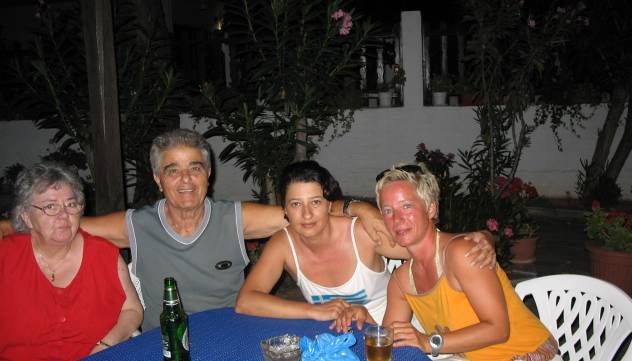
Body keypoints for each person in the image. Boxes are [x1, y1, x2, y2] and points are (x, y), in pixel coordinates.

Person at [9, 130, 384, 331]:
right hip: (163, 346)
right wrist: (14, 223)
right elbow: (63, 221)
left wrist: (359, 207)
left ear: (208, 174)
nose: (186, 179)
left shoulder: (235, 218)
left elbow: (305, 212)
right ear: (158, 179)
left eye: (195, 168)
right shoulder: (136, 225)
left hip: (232, 338)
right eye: (172, 170)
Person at [377, 164, 566, 361]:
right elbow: (389, 342)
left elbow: (498, 329)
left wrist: (428, 342)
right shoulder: (401, 281)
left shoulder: (461, 252)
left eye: (407, 206)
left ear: (431, 208)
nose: (397, 219)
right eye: (388, 210)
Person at [235, 161, 496, 332]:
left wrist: (480, 237)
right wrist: (314, 311)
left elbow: (434, 248)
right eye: (295, 204)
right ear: (284, 209)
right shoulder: (283, 244)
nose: (306, 214)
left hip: (396, 331)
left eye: (315, 202)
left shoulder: (361, 232)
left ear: (330, 205)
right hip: (339, 337)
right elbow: (246, 301)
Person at [0, 163, 143, 361]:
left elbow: (133, 310)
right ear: (26, 216)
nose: (64, 215)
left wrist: (106, 344)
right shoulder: (6, 258)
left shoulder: (104, 255)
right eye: (50, 206)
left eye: (71, 204)